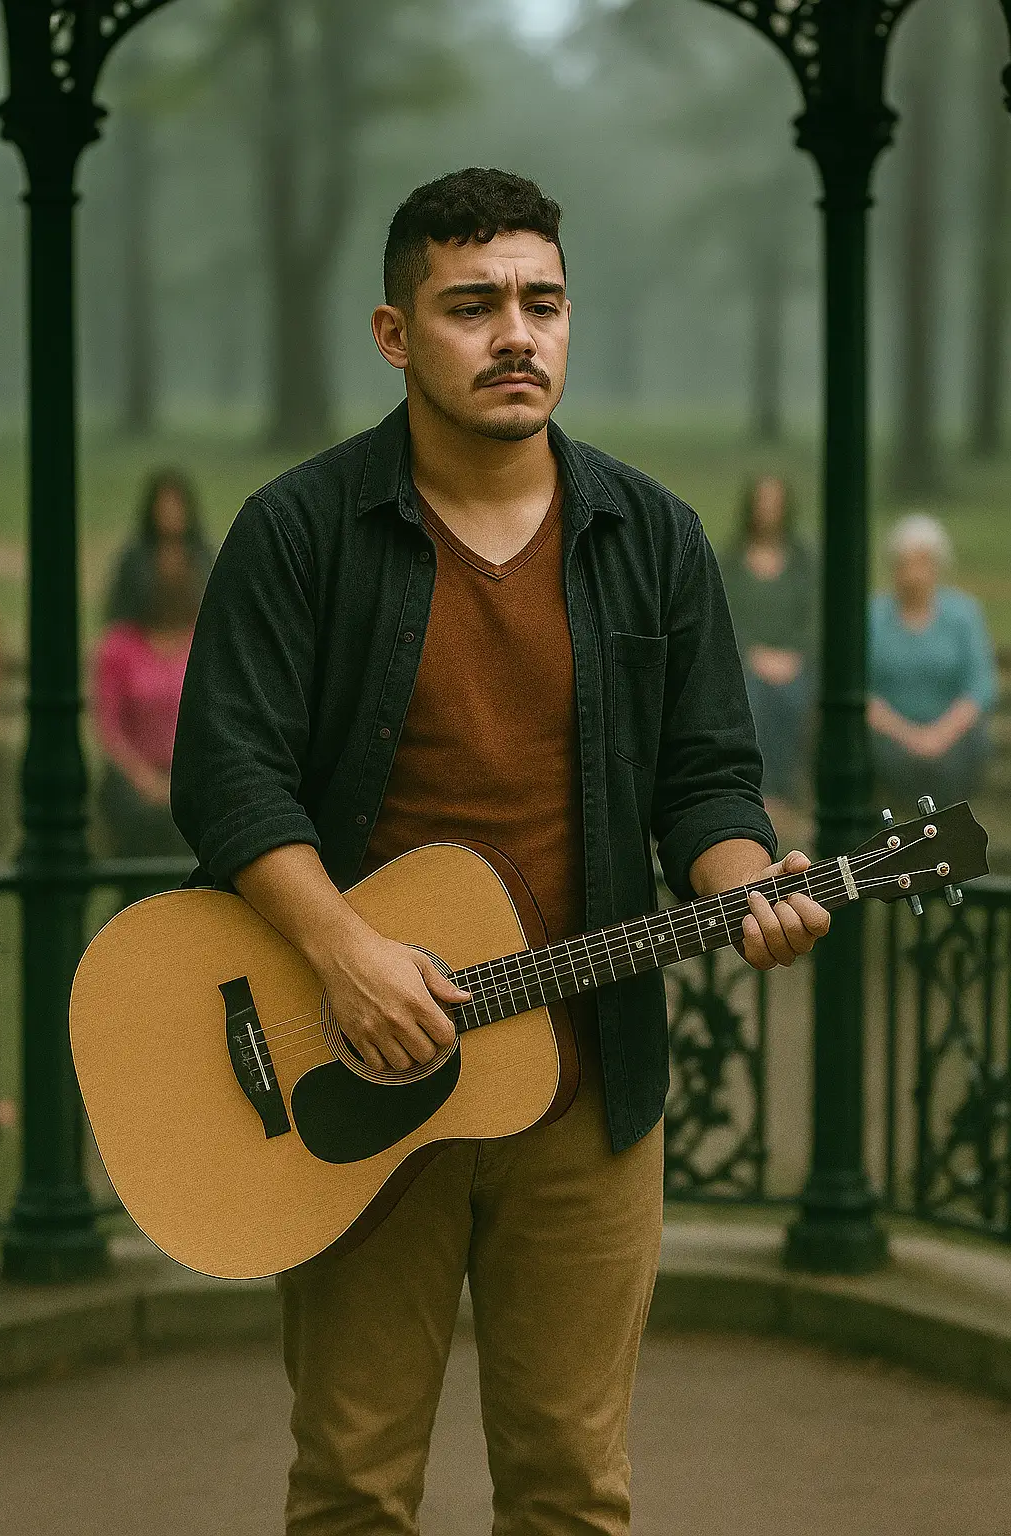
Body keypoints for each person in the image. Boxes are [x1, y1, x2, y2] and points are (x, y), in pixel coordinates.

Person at [170, 167, 831, 1535]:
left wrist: (742, 879)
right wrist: (344, 953)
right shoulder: (301, 532)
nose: (516, 334)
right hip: (353, 1086)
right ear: (395, 334)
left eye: (543, 302)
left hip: (588, 1088)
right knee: (353, 1485)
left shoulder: (651, 537)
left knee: (572, 1490)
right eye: (472, 306)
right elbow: (226, 776)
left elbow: (709, 777)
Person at [869, 513, 997, 810]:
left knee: (962, 755)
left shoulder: (963, 614)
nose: (914, 574)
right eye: (905, 563)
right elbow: (862, 690)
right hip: (890, 736)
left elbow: (980, 684)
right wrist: (908, 735)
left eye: (922, 562)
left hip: (951, 736)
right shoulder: (874, 616)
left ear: (938, 566)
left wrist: (940, 735)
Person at [94, 542, 201, 856]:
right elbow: (109, 728)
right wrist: (143, 778)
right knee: (142, 820)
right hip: (132, 780)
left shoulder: (204, 640)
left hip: (191, 776)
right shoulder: (119, 647)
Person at [719, 475, 816, 815]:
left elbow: (814, 617)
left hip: (796, 662)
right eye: (762, 501)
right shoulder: (729, 562)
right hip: (745, 663)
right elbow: (722, 616)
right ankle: (759, 787)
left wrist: (792, 656)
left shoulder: (804, 562)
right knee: (751, 699)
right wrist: (753, 654)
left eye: (775, 502)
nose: (768, 510)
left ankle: (787, 789)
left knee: (793, 697)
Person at [104, 468, 213, 627]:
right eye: (164, 505)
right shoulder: (134, 561)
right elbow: (120, 615)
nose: (170, 512)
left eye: (176, 505)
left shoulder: (203, 557)